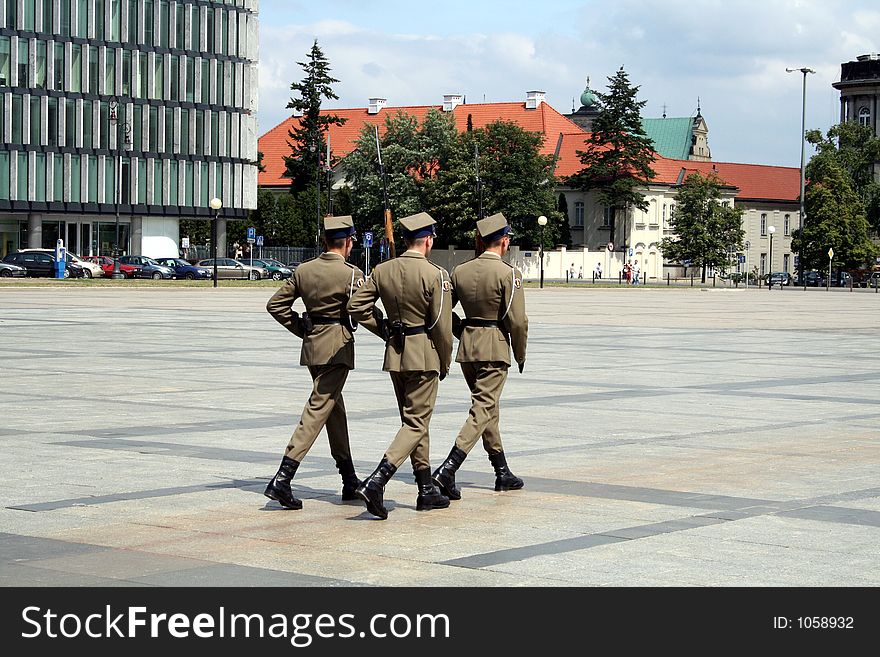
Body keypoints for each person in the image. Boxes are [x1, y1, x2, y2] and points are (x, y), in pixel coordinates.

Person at [263, 215, 381, 510]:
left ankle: (349, 478)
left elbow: (275, 305)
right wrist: (388, 333)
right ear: (349, 242)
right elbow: (363, 309)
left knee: (333, 410)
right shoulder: (351, 273)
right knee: (318, 409)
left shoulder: (304, 270)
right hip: (337, 348)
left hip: (313, 345)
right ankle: (283, 477)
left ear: (325, 241)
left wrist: (300, 327)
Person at [347, 212, 453, 519]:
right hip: (423, 353)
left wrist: (384, 327)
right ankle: (378, 480)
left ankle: (425, 488)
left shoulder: (383, 270)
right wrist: (444, 361)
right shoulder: (435, 274)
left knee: (413, 421)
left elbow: (356, 306)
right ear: (428, 240)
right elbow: (441, 327)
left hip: (396, 353)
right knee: (417, 422)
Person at [432, 213, 528, 501]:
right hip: (494, 347)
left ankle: (502, 472)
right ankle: (448, 470)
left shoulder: (460, 271)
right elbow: (518, 321)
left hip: (468, 347)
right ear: (505, 241)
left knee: (488, 409)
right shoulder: (509, 273)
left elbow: (443, 309)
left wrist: (463, 328)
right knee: (482, 410)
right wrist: (520, 352)